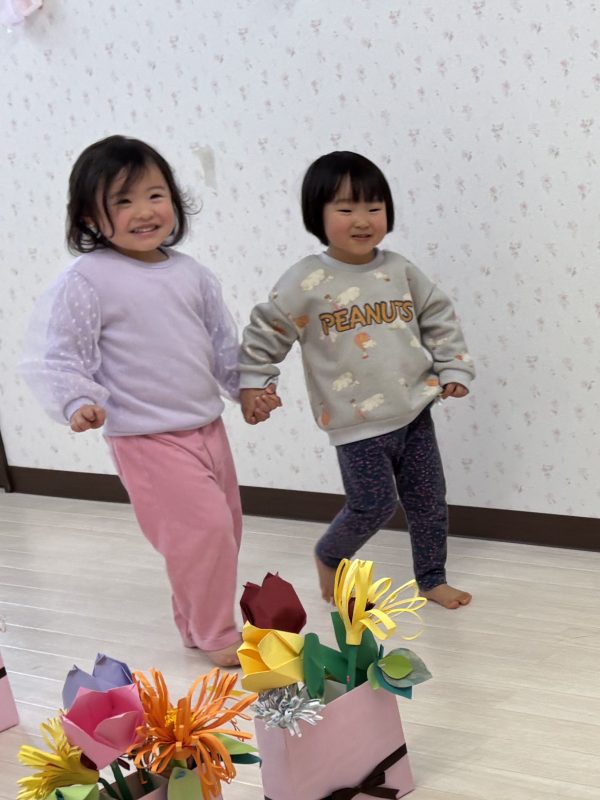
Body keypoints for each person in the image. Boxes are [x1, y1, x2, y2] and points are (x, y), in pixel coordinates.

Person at [21, 135, 279, 665]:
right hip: (146, 438)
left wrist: (246, 389)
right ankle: (216, 634)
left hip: (207, 428)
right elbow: (62, 353)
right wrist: (76, 400)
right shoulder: (88, 279)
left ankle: (194, 625)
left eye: (155, 195)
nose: (144, 211)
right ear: (90, 217)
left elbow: (221, 345)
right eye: (123, 201)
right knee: (203, 533)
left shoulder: (192, 274)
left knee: (223, 531)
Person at [238, 151, 475, 609]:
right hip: (356, 423)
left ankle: (431, 578)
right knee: (375, 504)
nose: (362, 220)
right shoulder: (306, 280)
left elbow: (438, 315)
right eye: (346, 208)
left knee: (429, 501)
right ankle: (330, 554)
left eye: (374, 207)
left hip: (414, 409)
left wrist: (453, 367)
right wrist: (255, 382)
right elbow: (267, 330)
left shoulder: (400, 270)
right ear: (318, 215)